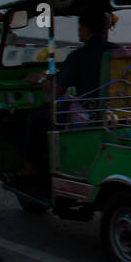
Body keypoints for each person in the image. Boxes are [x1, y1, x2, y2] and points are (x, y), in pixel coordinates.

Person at [16, 9, 117, 177]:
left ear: (85, 29)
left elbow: (57, 91)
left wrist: (40, 80)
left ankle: (30, 166)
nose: (79, 31)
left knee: (38, 117)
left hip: (89, 114)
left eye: (80, 27)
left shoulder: (79, 56)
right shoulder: (117, 51)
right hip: (114, 113)